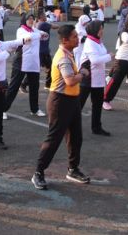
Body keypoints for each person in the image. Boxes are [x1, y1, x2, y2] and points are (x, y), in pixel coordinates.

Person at [32, 24, 91, 189]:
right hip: (60, 102)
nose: (77, 39)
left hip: (72, 100)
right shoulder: (63, 57)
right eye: (74, 37)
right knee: (54, 139)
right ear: (65, 40)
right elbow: (70, 80)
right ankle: (38, 172)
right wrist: (83, 74)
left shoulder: (69, 53)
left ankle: (73, 169)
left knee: (75, 137)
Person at [5, 14, 48, 117]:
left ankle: (35, 109)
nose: (31, 21)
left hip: (33, 62)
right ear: (24, 20)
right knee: (14, 87)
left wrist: (42, 34)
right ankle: (2, 109)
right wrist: (39, 34)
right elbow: (27, 38)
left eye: (32, 19)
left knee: (34, 87)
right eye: (29, 19)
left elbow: (46, 36)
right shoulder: (21, 30)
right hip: (21, 61)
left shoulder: (34, 30)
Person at [79, 20, 112, 136]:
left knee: (97, 105)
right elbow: (95, 60)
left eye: (102, 28)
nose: (102, 31)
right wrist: (109, 56)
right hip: (87, 78)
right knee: (78, 105)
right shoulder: (89, 42)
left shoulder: (98, 42)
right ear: (94, 30)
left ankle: (96, 127)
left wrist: (106, 56)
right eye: (100, 29)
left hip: (97, 78)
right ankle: (67, 126)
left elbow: (101, 55)